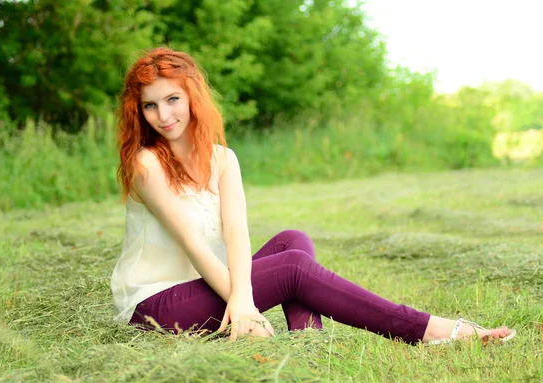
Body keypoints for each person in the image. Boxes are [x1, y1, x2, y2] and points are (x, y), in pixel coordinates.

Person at [111, 47, 516, 344]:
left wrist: (243, 300)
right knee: (292, 268)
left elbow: (235, 232)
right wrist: (244, 304)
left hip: (206, 289)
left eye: (172, 99)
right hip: (158, 307)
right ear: (139, 111)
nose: (163, 116)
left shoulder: (222, 158)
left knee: (293, 240)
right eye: (150, 105)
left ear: (193, 97)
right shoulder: (146, 165)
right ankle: (431, 330)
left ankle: (308, 343)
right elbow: (195, 245)